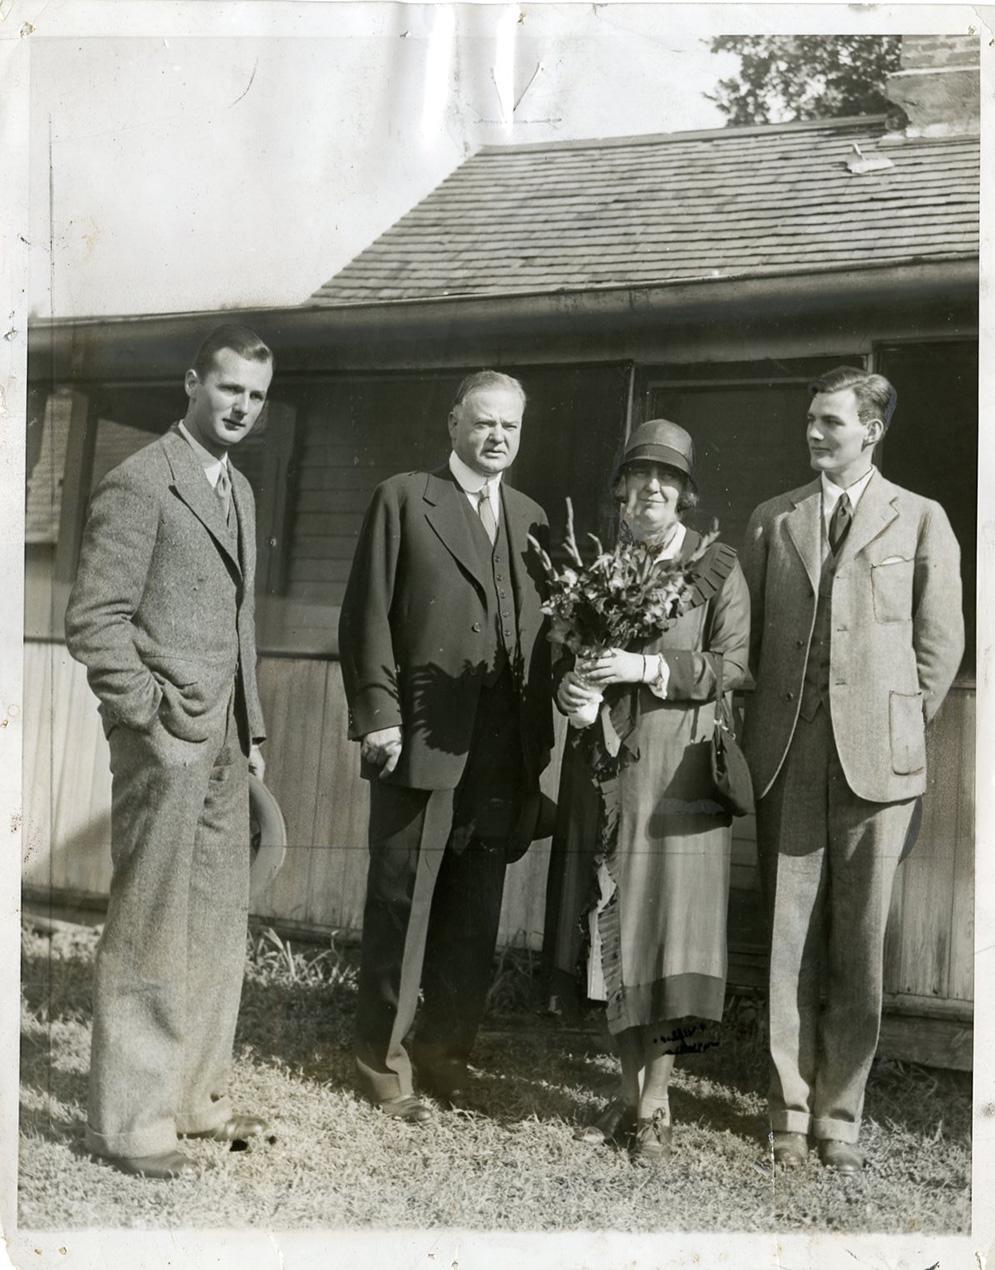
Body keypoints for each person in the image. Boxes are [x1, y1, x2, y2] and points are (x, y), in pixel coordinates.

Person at [742, 365, 964, 1174]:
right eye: (810, 419)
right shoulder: (773, 521)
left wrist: (894, 722)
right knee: (787, 941)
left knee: (858, 944)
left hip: (880, 765)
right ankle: (786, 1111)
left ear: (871, 429)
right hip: (789, 761)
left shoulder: (922, 519)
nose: (813, 433)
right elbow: (754, 647)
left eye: (830, 422)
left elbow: (939, 646)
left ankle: (839, 1114)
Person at [64, 324, 274, 1179]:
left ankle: (193, 1096)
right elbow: (94, 620)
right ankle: (131, 1120)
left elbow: (239, 623)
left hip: (225, 743)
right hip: (165, 741)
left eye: (257, 397)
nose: (242, 409)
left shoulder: (242, 492)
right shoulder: (142, 481)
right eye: (229, 390)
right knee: (151, 923)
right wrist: (147, 715)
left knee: (219, 920)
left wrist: (252, 732)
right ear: (193, 384)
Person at [338, 369, 554, 1124]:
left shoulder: (531, 519)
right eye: (484, 422)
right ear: (453, 423)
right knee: (402, 904)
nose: (497, 437)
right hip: (419, 744)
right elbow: (365, 613)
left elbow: (541, 636)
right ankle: (381, 1063)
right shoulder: (405, 498)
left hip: (500, 752)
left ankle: (444, 1054)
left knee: (471, 915)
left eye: (511, 427)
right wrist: (378, 717)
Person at [548, 418, 750, 1164]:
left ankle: (657, 1101)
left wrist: (648, 671)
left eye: (664, 480)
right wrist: (577, 694)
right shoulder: (597, 573)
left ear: (684, 493)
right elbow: (570, 661)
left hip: (683, 776)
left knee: (674, 933)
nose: (649, 491)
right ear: (620, 493)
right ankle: (630, 1090)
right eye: (637, 480)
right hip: (614, 775)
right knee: (621, 929)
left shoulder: (717, 569)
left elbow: (732, 667)